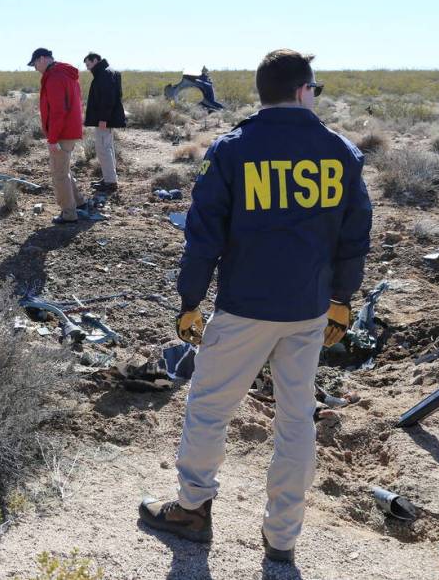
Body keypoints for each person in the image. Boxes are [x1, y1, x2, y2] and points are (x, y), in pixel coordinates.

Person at [139, 49, 372, 564]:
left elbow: (202, 238)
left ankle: (192, 509)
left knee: (209, 409)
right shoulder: (341, 153)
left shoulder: (232, 150)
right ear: (302, 91)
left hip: (244, 308)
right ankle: (283, 538)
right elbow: (355, 239)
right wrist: (342, 300)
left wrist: (190, 302)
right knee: (296, 419)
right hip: (309, 311)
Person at [28, 47, 87, 225]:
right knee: (64, 170)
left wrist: (53, 138)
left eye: (35, 64)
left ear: (43, 59)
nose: (35, 68)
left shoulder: (55, 77)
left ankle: (69, 214)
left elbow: (58, 112)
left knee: (59, 174)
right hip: (69, 130)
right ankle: (79, 203)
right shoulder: (65, 74)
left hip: (62, 133)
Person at [83, 52, 126, 194]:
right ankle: (109, 178)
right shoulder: (108, 72)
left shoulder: (104, 74)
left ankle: (110, 182)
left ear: (95, 60)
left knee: (103, 148)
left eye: (89, 64)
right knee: (107, 147)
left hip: (105, 119)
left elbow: (108, 98)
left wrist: (103, 118)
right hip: (107, 118)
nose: (88, 68)